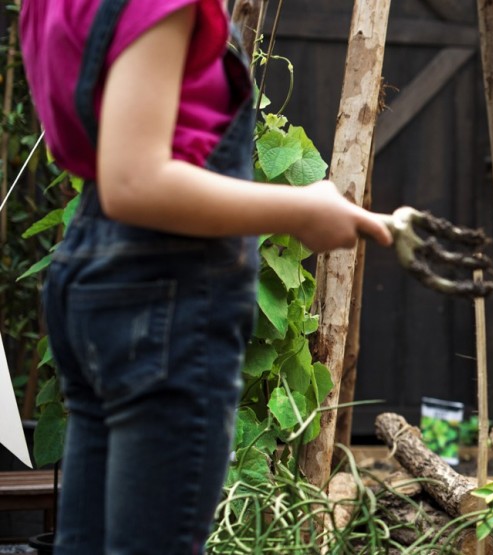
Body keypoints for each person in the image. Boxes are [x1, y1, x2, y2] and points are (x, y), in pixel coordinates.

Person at [19, 1, 392, 552]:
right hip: (166, 289)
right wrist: (302, 211)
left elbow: (92, 148)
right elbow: (135, 181)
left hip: (95, 265)